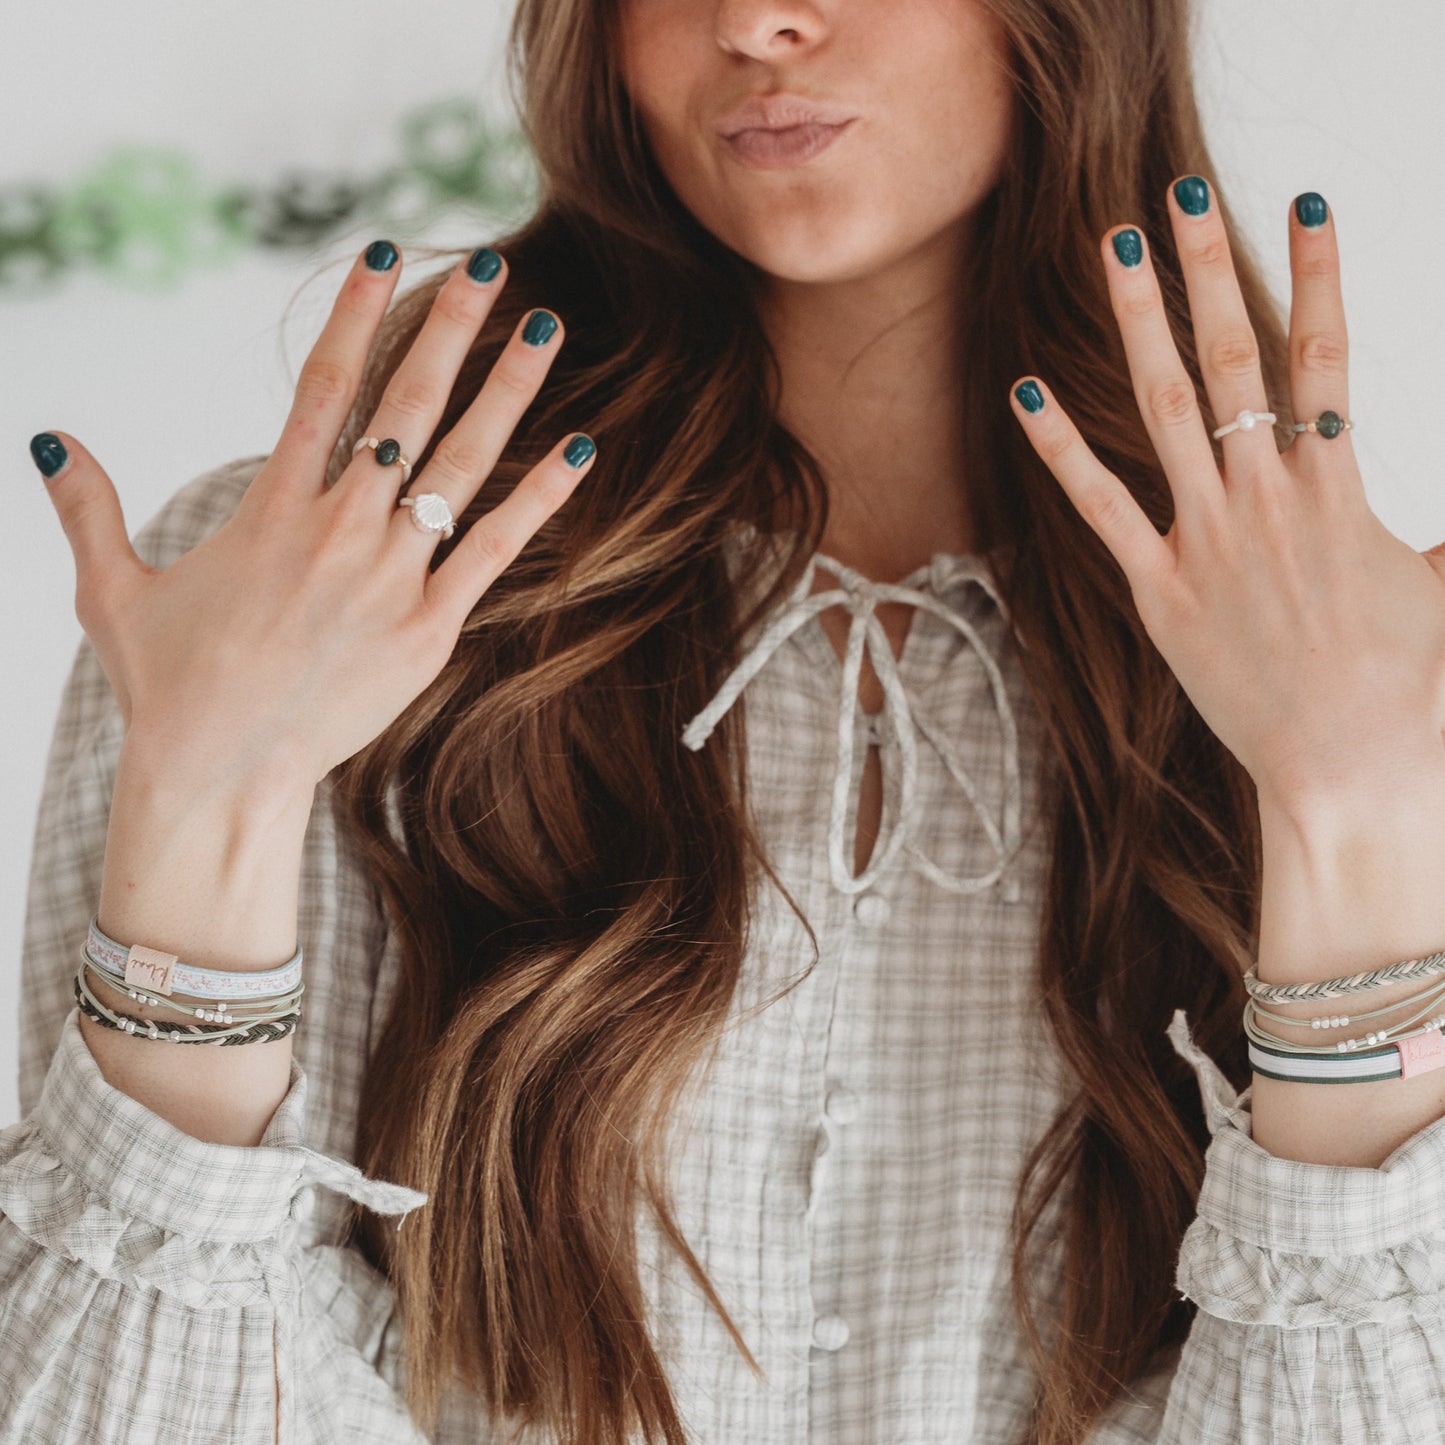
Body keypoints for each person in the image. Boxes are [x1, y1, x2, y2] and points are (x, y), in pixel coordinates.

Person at [8, 0, 1445, 1440]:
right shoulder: (286, 599)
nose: (757, 20)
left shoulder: (1366, 670)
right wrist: (208, 800)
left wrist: (1348, 812)